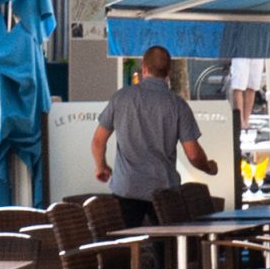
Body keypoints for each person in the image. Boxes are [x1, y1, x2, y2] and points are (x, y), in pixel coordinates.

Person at [92, 46, 218, 227]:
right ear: (169, 72)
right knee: (167, 250)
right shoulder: (177, 104)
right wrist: (208, 167)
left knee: (127, 246)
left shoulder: (121, 98)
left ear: (144, 68)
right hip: (164, 192)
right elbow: (193, 154)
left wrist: (100, 166)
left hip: (127, 188)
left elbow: (98, 140)